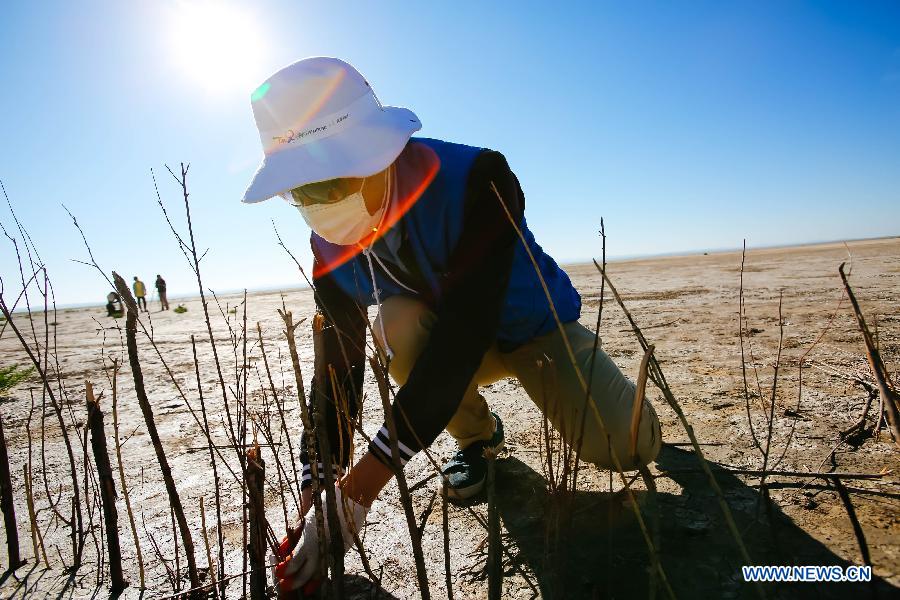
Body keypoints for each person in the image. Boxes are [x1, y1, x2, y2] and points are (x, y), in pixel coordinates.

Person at [242, 57, 662, 591]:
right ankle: (477, 440)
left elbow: (464, 333)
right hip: (447, 347)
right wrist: (317, 493)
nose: (322, 205)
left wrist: (358, 493)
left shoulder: (478, 179)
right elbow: (337, 373)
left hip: (534, 332)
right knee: (397, 325)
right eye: (303, 191)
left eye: (333, 182)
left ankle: (637, 410)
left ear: (380, 153)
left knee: (624, 448)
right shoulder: (328, 251)